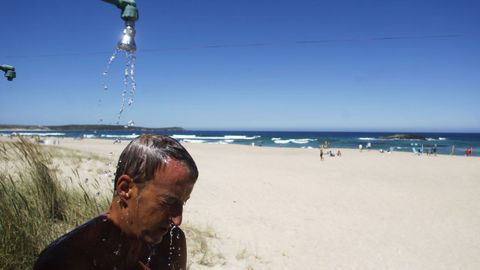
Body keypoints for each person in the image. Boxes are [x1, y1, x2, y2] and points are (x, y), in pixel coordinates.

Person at [34, 135, 199, 270]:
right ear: (125, 188)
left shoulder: (172, 241)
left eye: (182, 203)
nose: (178, 220)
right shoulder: (66, 261)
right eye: (168, 202)